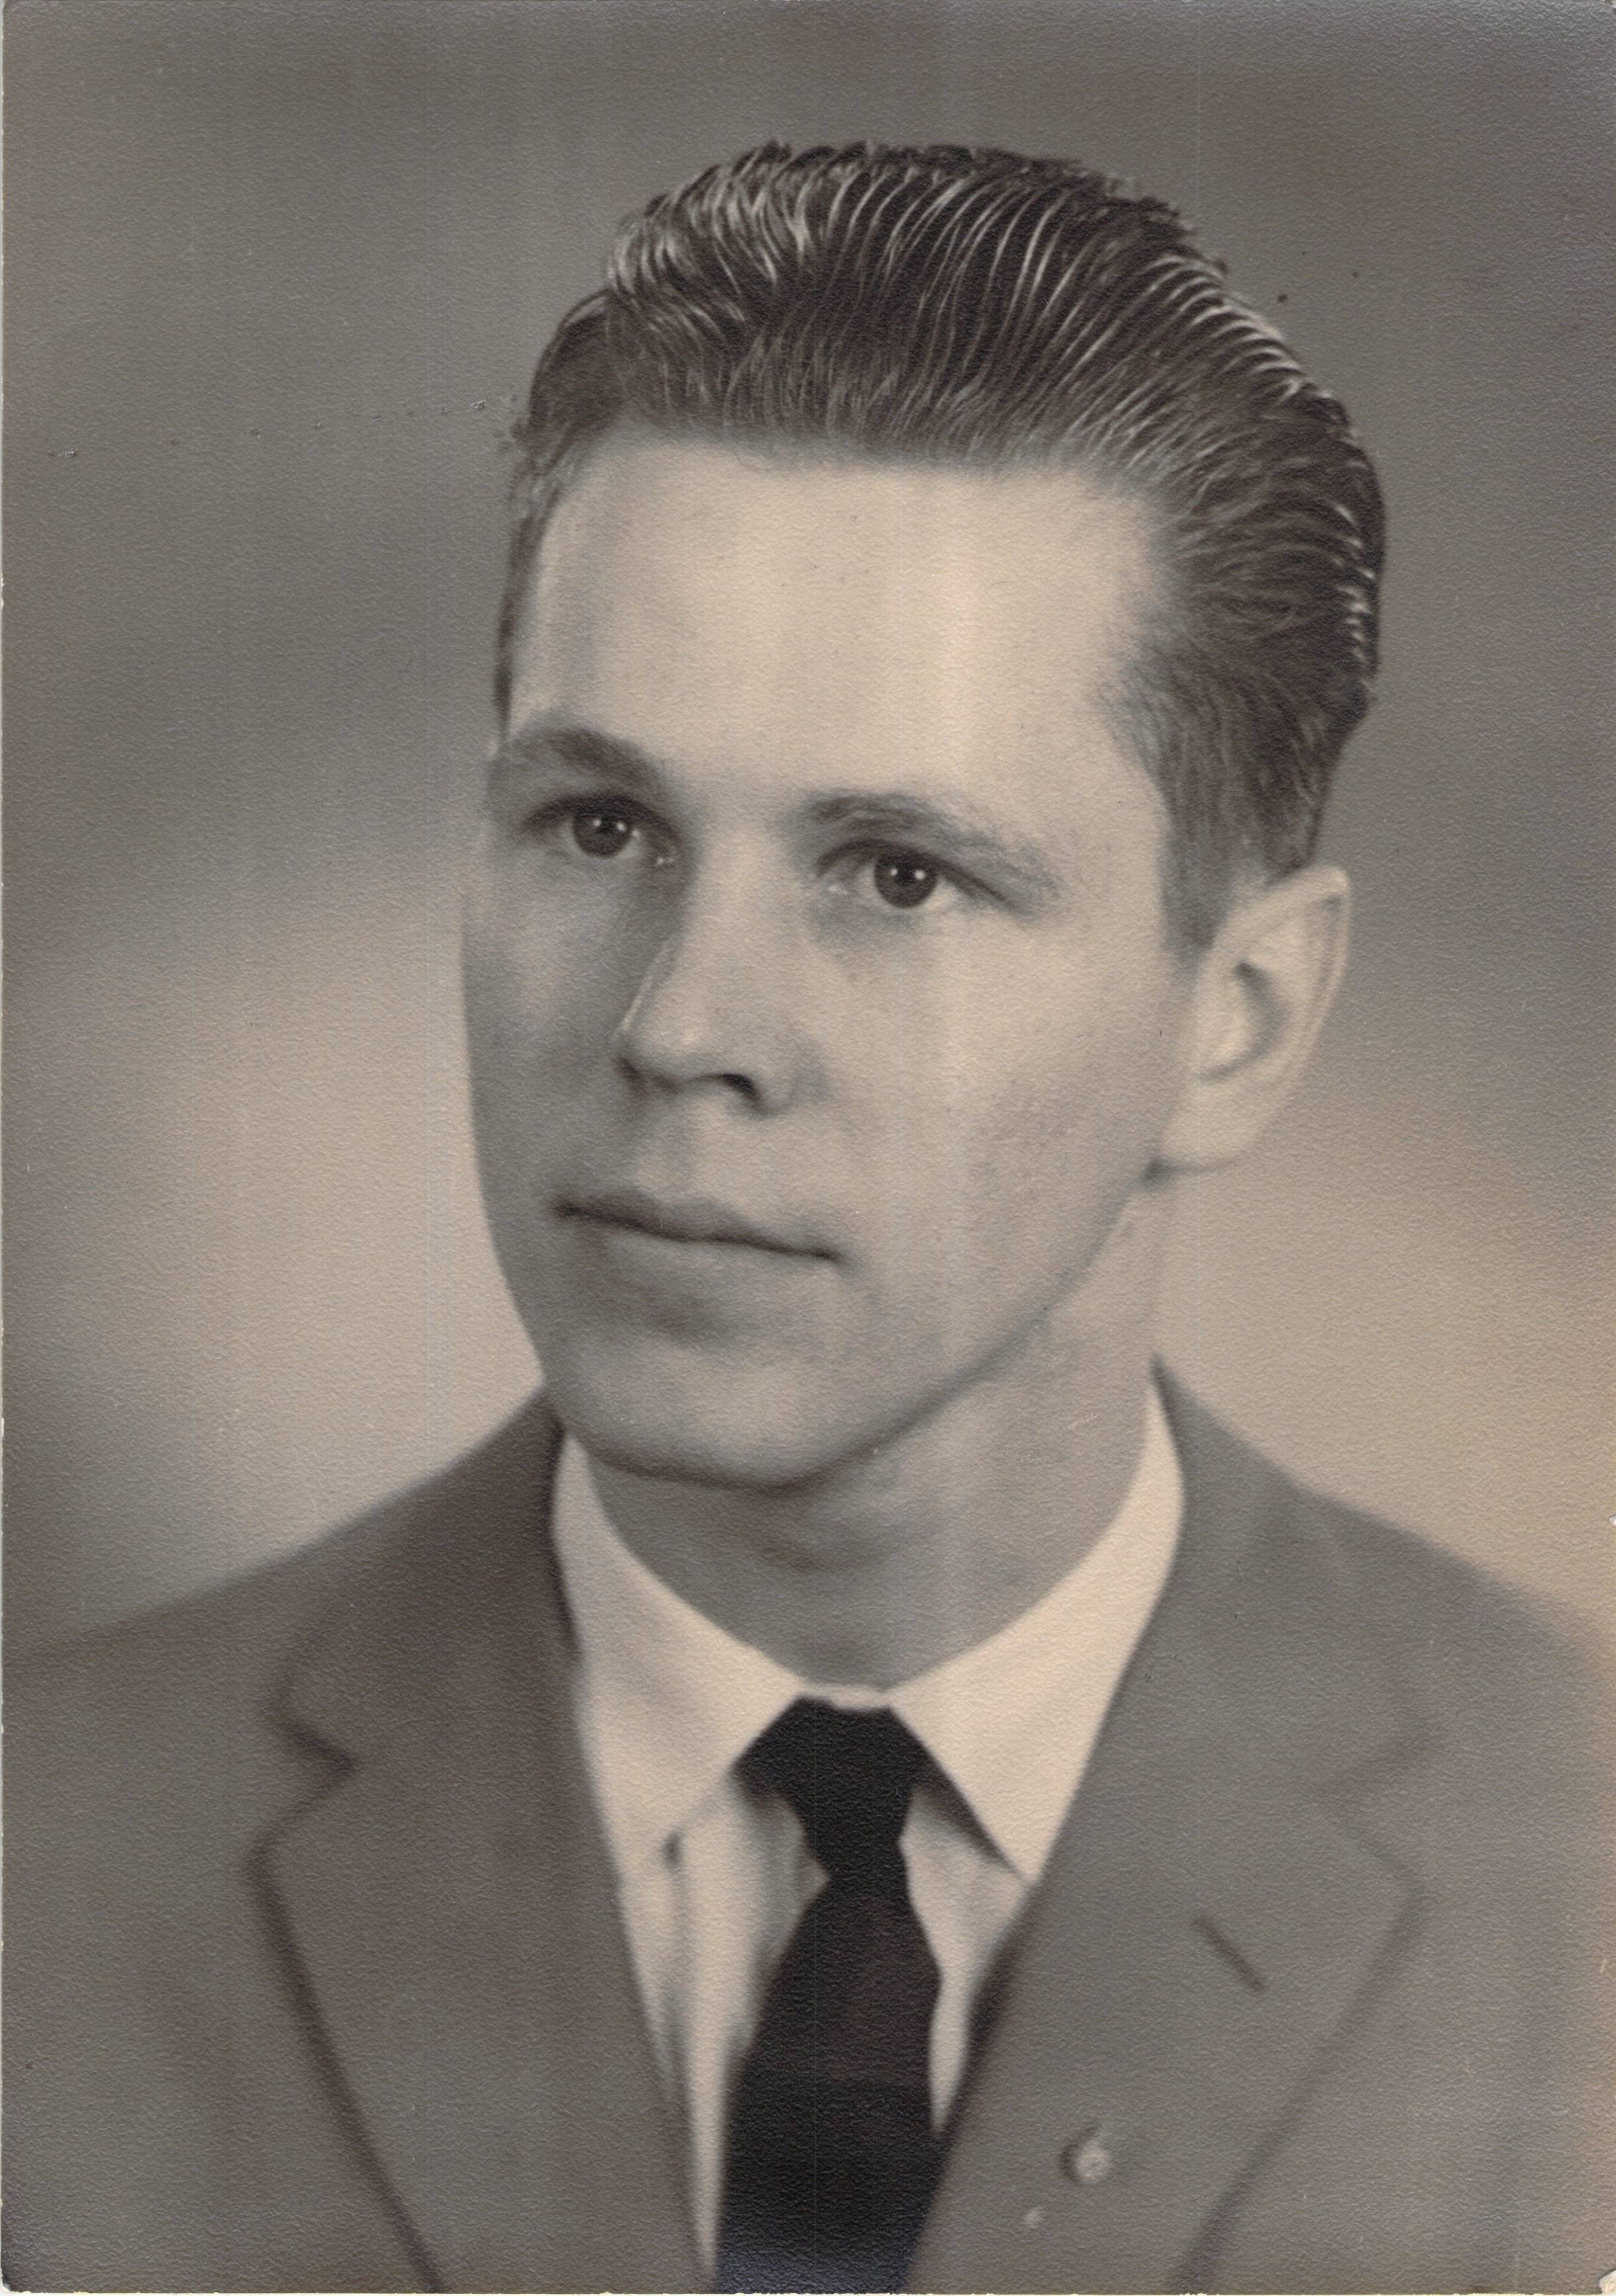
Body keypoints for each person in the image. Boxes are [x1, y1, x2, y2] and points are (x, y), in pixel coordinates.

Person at [6, 141, 1611, 2296]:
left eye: (899, 875)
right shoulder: (44, 1871)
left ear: (1237, 1023)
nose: (679, 1028)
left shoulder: (1580, 1861)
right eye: (600, 823)